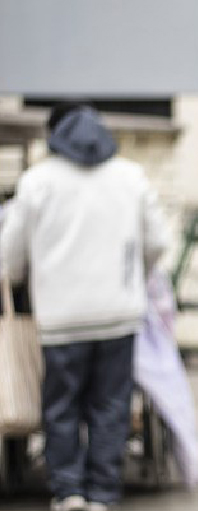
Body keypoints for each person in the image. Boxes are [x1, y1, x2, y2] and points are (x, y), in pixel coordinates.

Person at [0, 102, 169, 511]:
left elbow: (10, 257)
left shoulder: (37, 182)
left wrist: (28, 280)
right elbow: (158, 243)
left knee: (61, 408)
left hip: (60, 317)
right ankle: (104, 492)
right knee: (111, 406)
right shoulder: (130, 177)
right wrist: (132, 276)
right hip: (118, 314)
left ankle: (68, 491)